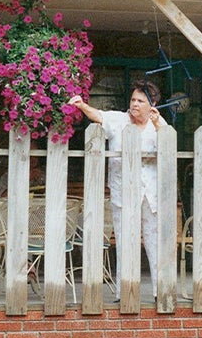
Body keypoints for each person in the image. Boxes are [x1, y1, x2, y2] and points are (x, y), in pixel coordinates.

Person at [68, 79, 167, 302]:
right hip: (123, 192)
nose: (135, 104)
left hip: (151, 194)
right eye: (133, 99)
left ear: (152, 104)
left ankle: (159, 291)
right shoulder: (119, 120)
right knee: (124, 241)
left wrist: (159, 124)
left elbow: (167, 149)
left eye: (141, 101)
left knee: (154, 242)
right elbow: (99, 116)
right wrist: (82, 105)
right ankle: (125, 293)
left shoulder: (158, 124)